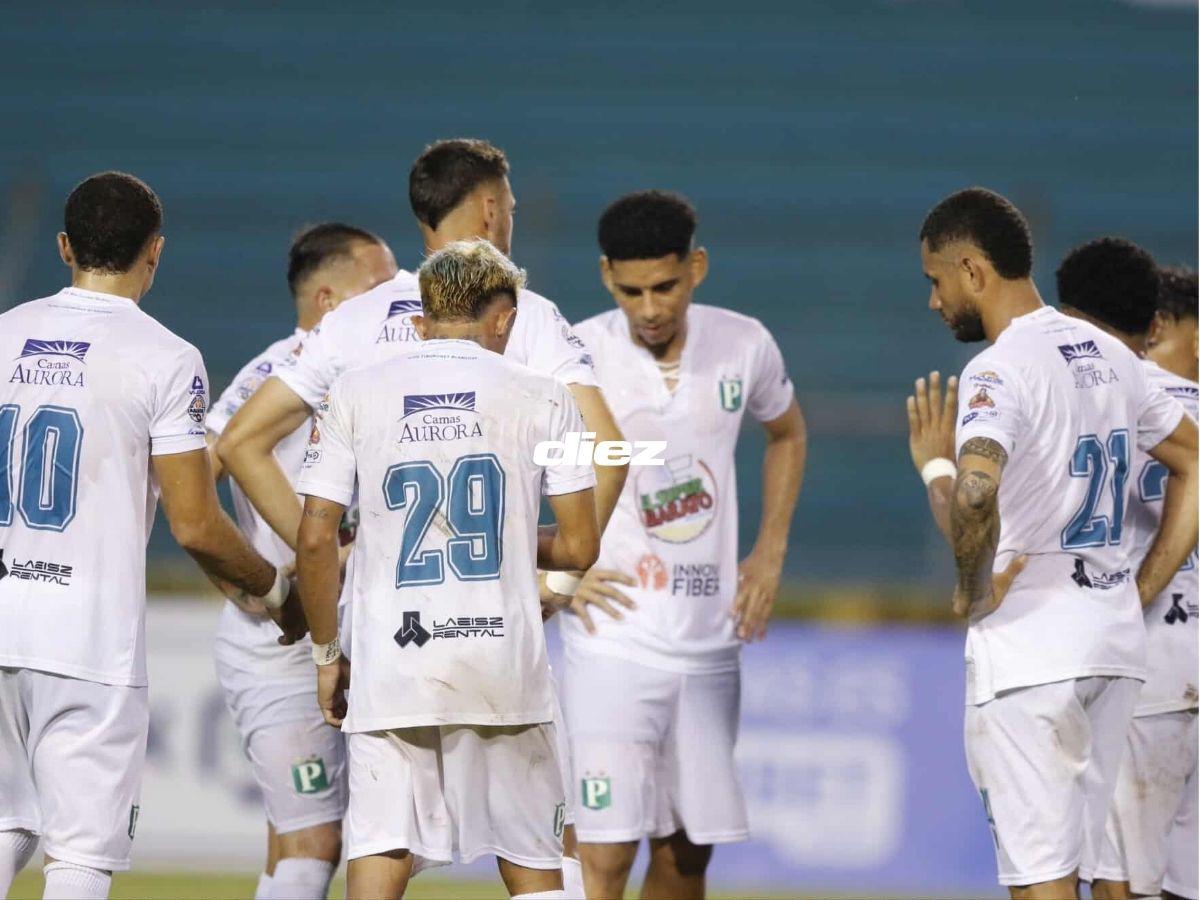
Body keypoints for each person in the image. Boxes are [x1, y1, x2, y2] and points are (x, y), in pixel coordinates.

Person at [217, 138, 628, 895]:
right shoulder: (526, 316)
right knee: (535, 849)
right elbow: (608, 451)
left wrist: (335, 574)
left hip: (389, 639)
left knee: (380, 843)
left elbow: (240, 441)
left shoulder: (355, 322)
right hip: (500, 638)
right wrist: (554, 582)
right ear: (493, 208)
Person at [0, 172, 296, 900]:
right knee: (78, 852)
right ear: (154, 253)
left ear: (65, 246)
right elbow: (194, 523)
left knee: (6, 823)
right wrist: (272, 587)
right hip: (85, 637)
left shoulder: (5, 333)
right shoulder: (164, 357)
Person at [909, 188, 1198, 900]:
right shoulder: (1109, 352)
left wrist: (970, 580)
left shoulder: (999, 368)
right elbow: (1193, 460)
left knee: (1043, 882)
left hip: (1032, 657)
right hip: (1111, 646)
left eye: (935, 281)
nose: (933, 301)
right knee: (1103, 881)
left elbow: (978, 494)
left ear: (973, 270)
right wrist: (1140, 590)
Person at [294, 239, 599, 900]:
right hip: (501, 661)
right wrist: (511, 535)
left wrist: (326, 654)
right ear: (505, 319)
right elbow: (580, 545)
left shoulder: (355, 392)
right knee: (531, 862)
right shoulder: (550, 398)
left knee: (380, 851)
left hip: (391, 657)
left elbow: (315, 535)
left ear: (420, 320)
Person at [560, 190, 807, 900]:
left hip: (707, 642)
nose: (649, 307)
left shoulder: (744, 344)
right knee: (601, 853)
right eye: (631, 289)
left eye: (665, 286)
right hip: (610, 640)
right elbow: (526, 463)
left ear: (696, 267)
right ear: (607, 275)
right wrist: (557, 566)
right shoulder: (579, 357)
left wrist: (769, 550)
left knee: (687, 852)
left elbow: (787, 432)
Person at [205, 223, 397, 900]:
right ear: (327, 302)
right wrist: (290, 571)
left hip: (346, 630)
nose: (398, 306)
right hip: (286, 640)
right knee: (316, 841)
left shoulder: (360, 376)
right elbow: (205, 474)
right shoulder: (279, 375)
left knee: (295, 837)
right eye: (379, 290)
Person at [1049, 240, 1197, 900]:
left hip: (1145, 667)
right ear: (1160, 325)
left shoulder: (1115, 400)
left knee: (1122, 881)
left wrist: (1132, 596)